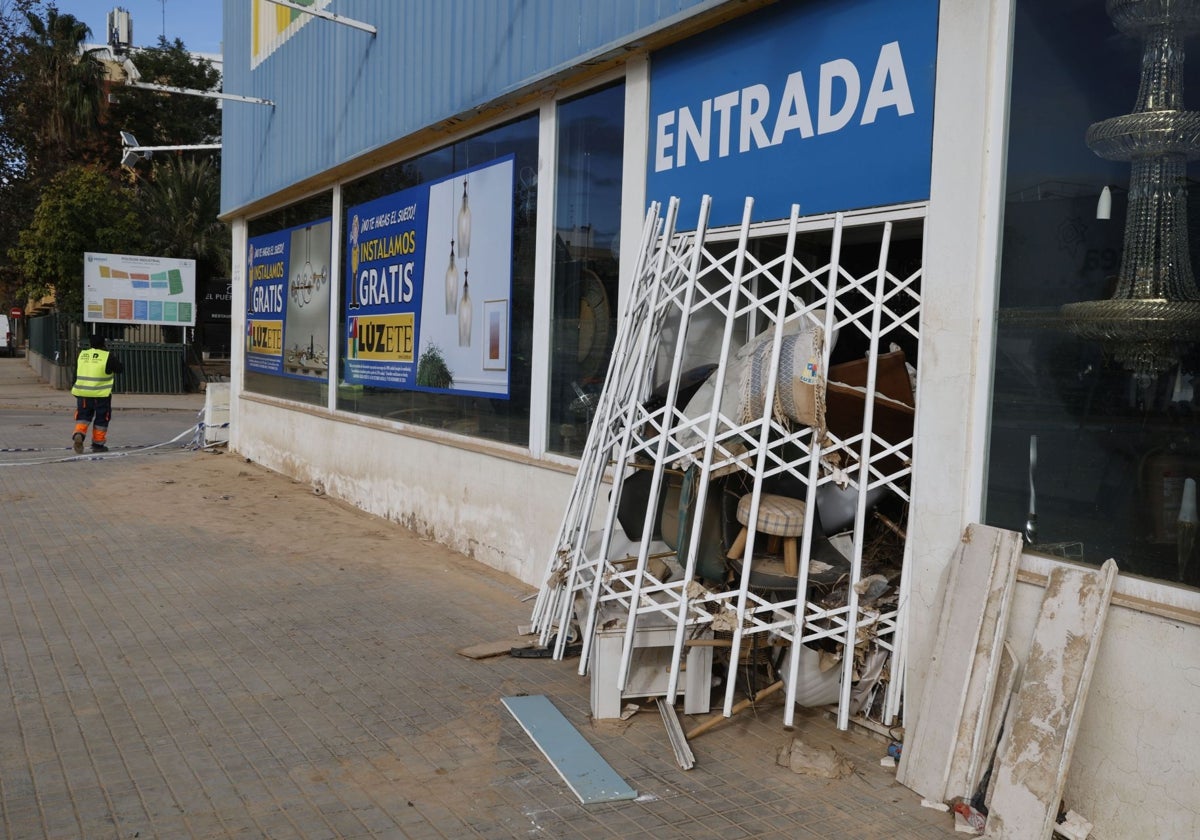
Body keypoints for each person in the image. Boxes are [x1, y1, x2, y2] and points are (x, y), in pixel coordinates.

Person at [71, 334, 124, 453]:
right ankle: (98, 444)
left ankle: (79, 434)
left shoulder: (82, 355)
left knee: (83, 417)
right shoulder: (107, 356)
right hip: (101, 395)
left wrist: (75, 388)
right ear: (103, 344)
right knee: (101, 419)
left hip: (83, 393)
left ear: (90, 343)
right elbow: (119, 369)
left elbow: (76, 373)